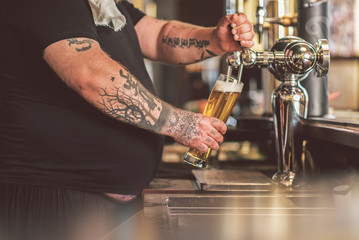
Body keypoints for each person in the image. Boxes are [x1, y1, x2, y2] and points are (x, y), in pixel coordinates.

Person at [0, 0, 254, 239]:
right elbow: (90, 75)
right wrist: (178, 123)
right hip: (54, 195)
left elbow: (157, 36)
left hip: (96, 198)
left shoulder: (104, 4)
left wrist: (214, 39)